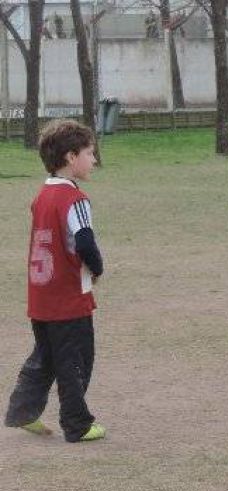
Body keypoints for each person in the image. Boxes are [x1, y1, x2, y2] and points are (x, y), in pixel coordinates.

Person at [5, 120, 106, 442]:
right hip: (67, 300)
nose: (94, 160)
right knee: (76, 361)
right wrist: (98, 268)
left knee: (46, 356)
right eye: (90, 154)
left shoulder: (42, 195)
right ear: (70, 157)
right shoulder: (74, 199)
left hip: (42, 298)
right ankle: (77, 424)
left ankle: (24, 410)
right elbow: (85, 242)